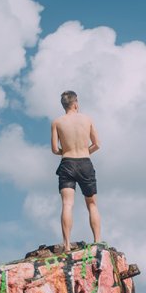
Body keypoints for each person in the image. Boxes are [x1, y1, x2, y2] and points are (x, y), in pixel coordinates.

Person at [50, 90, 101, 253]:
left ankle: (66, 245)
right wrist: (85, 152)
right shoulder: (87, 119)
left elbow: (54, 149)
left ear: (64, 105)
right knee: (92, 204)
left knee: (67, 204)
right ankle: (97, 241)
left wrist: (65, 151)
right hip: (85, 162)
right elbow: (97, 144)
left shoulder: (57, 122)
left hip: (67, 163)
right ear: (76, 103)